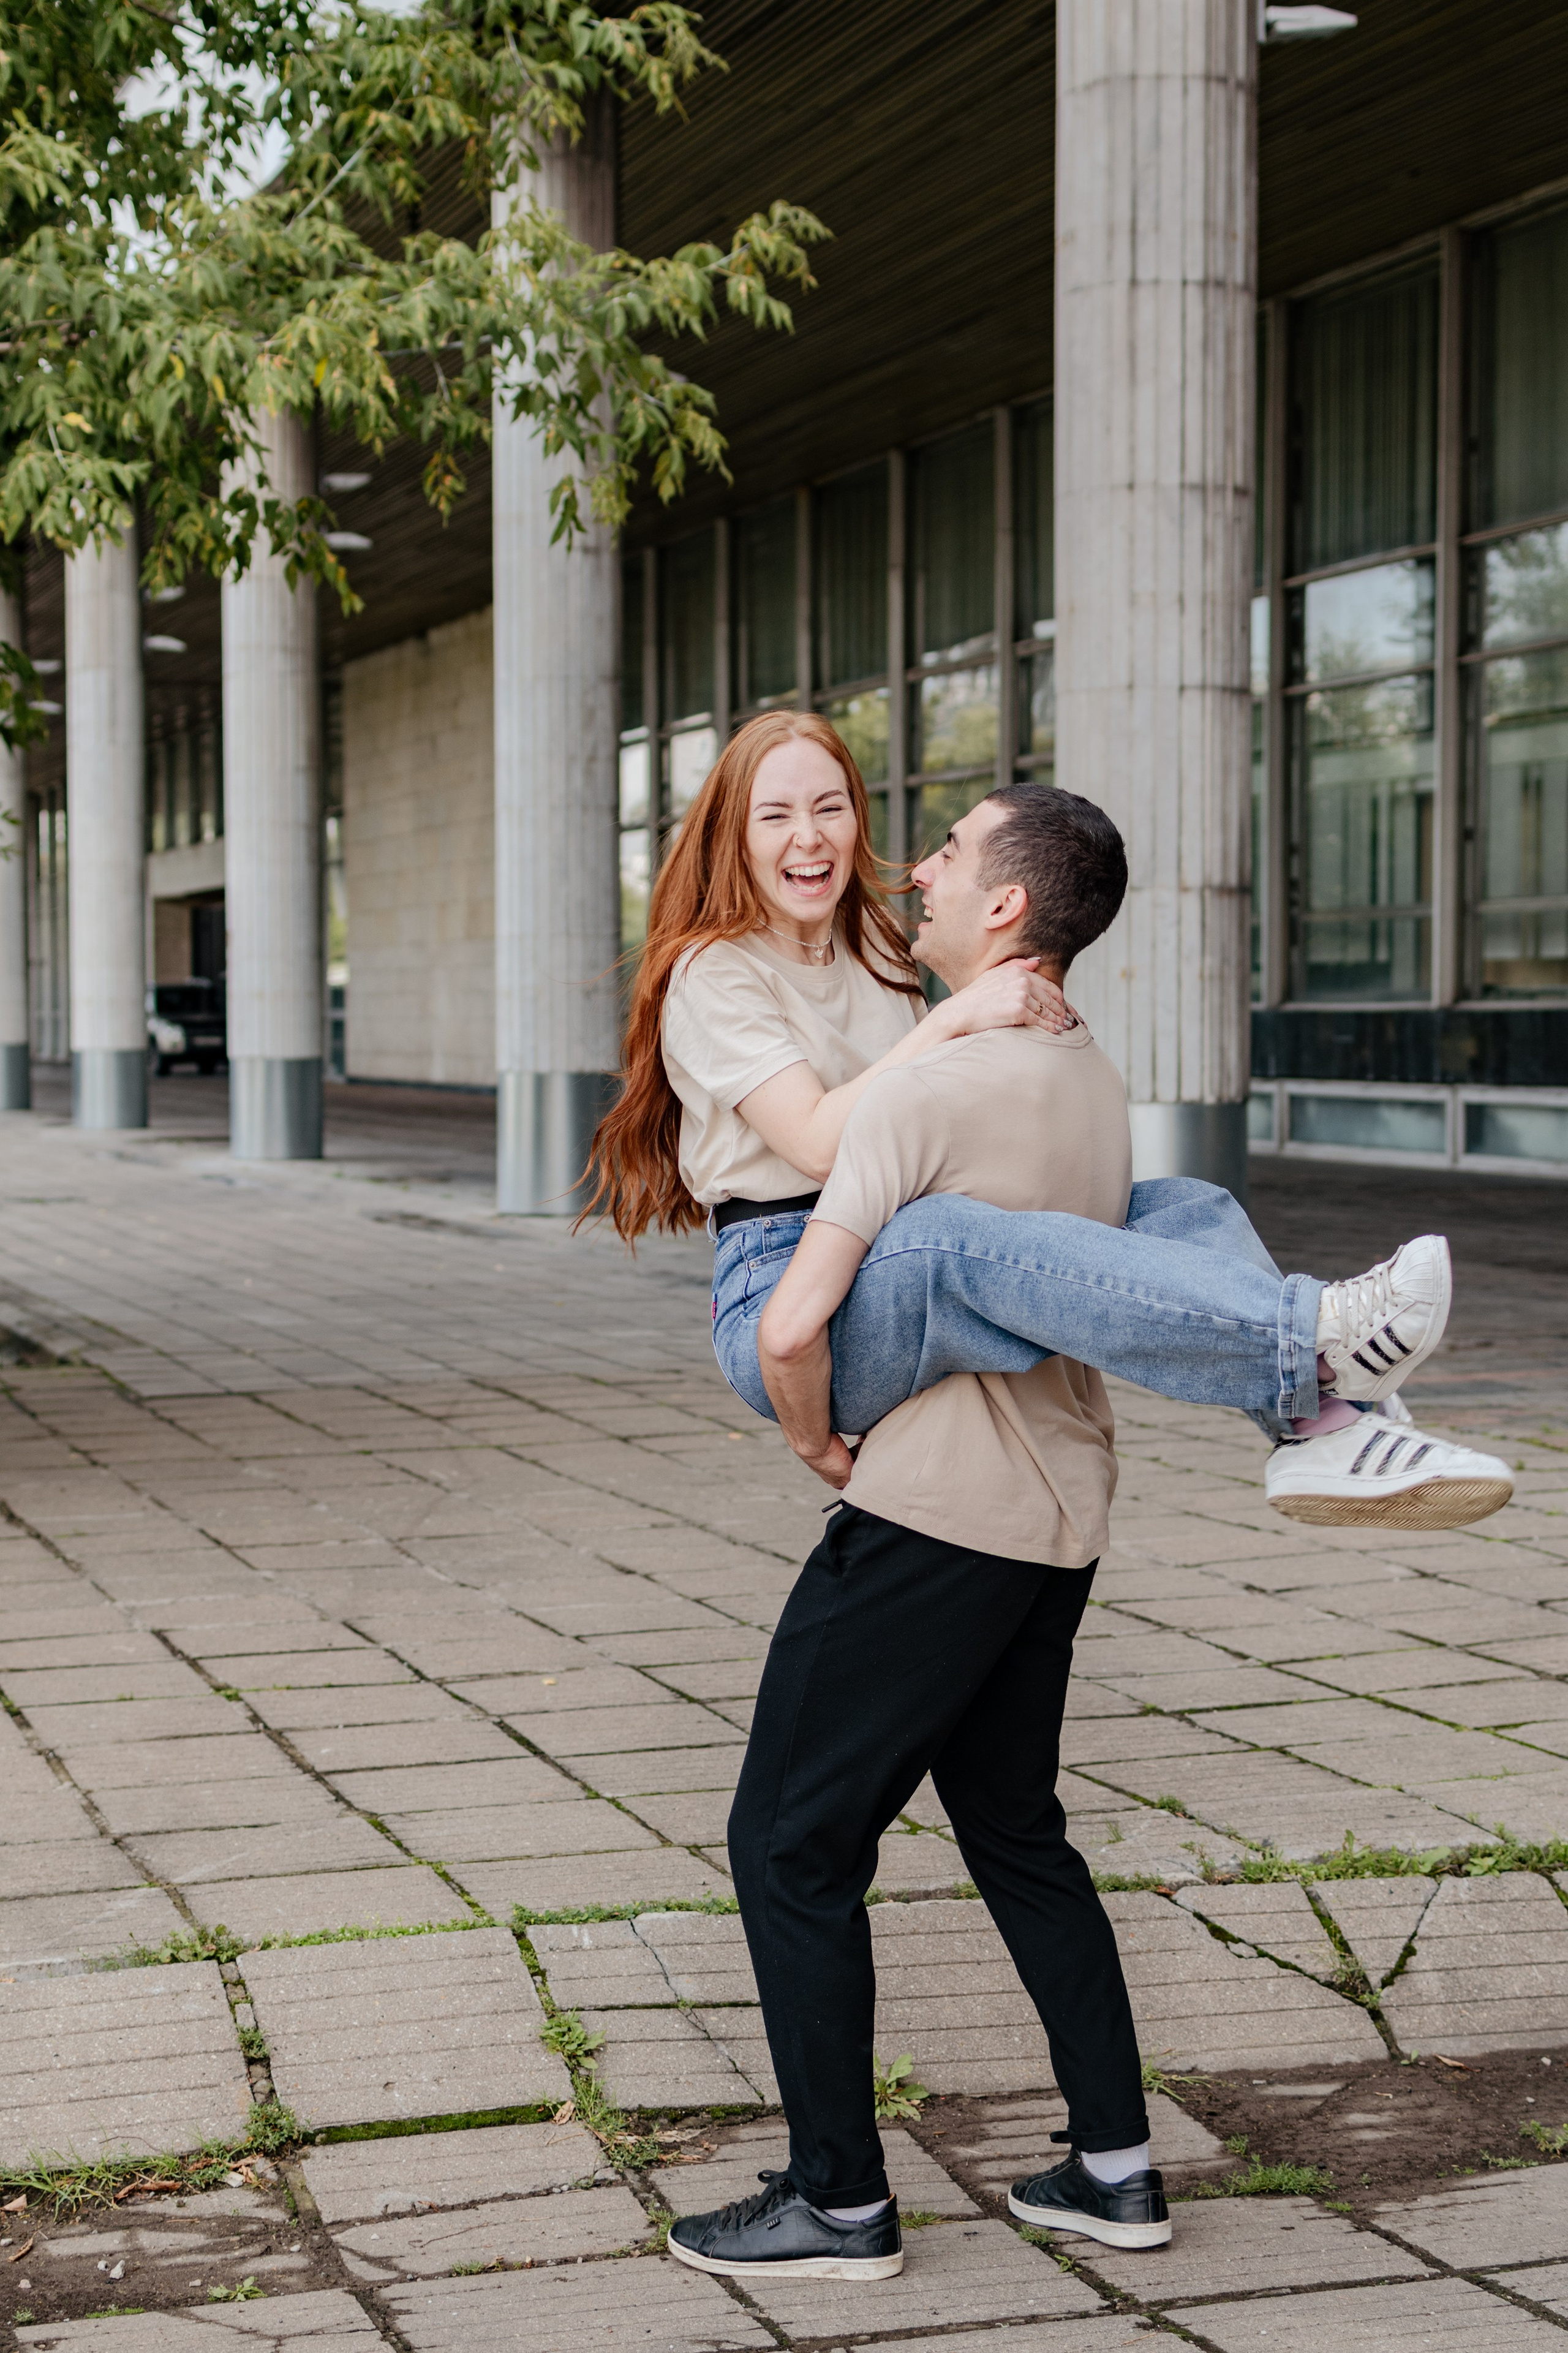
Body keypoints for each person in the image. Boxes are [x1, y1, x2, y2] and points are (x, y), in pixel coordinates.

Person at [582, 710, 1512, 1530]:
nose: (809, 836)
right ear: (733, 835)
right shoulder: (715, 971)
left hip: (885, 1231)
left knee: (1178, 1207)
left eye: (830, 807)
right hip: (790, 1285)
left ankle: (1320, 1423)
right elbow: (819, 1142)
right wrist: (955, 1016)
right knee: (952, 1240)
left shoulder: (874, 945)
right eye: (775, 815)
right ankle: (1316, 1332)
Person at [667, 784, 1169, 2283]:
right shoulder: (1089, 1076)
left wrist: (816, 1440)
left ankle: (836, 2201)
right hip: (1061, 1504)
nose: (919, 867)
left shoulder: (925, 1091)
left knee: (788, 1842)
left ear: (1004, 906)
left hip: (938, 1509)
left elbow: (794, 1323)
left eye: (949, 852)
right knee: (1013, 1826)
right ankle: (1113, 2169)